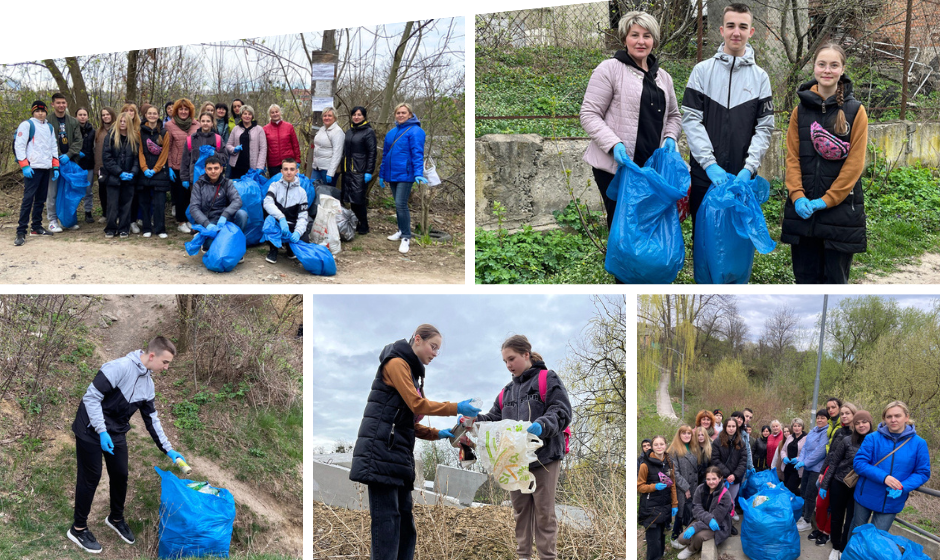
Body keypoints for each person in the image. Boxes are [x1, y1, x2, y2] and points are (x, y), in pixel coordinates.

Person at [349, 324, 480, 560]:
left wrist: (438, 433)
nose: (435, 353)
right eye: (433, 346)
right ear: (417, 340)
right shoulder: (396, 363)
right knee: (387, 525)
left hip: (397, 458)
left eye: (438, 349)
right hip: (380, 455)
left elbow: (406, 421)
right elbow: (416, 405)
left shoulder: (413, 373)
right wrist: (455, 407)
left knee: (406, 528)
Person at [67, 336, 186, 554]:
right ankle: (78, 528)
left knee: (121, 474)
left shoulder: (148, 385)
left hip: (116, 430)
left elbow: (152, 420)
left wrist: (169, 449)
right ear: (152, 356)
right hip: (90, 428)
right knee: (91, 477)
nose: (166, 368)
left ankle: (115, 518)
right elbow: (90, 398)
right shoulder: (119, 368)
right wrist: (101, 431)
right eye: (165, 362)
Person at [681, 3, 773, 250]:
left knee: (738, 241)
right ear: (721, 30)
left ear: (751, 32)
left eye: (743, 27)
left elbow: (764, 128)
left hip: (742, 177)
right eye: (731, 26)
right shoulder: (701, 71)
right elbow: (691, 120)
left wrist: (749, 168)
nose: (736, 32)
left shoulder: (761, 78)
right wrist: (709, 165)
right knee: (704, 241)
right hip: (705, 176)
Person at [579, 10, 682, 233]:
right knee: (622, 229)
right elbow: (589, 113)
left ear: (654, 40)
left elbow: (674, 116)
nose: (641, 41)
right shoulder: (609, 69)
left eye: (647, 35)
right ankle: (622, 268)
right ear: (625, 38)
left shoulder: (663, 77)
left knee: (649, 227)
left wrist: (671, 137)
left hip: (652, 168)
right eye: (635, 35)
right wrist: (614, 144)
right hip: (618, 167)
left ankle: (646, 268)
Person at [471, 334, 572, 560]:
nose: (508, 365)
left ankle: (547, 557)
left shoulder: (548, 379)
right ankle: (523, 556)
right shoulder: (506, 391)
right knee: (520, 513)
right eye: (505, 361)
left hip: (544, 458)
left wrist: (542, 424)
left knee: (545, 513)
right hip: (514, 463)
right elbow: (493, 418)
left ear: (526, 355)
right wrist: (473, 421)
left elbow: (562, 410)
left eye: (512, 359)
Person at [781, 43, 869, 284]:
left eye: (834, 65)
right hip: (803, 213)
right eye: (822, 64)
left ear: (842, 69)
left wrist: (827, 200)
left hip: (840, 215)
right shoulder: (799, 111)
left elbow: (854, 165)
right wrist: (797, 196)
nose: (827, 70)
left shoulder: (856, 111)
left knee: (835, 282)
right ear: (814, 67)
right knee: (805, 281)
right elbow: (792, 158)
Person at [851, 401, 930, 534]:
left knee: (878, 538)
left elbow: (922, 472)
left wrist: (903, 487)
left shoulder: (919, 443)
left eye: (897, 416)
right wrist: (884, 477)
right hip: (865, 495)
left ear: (906, 417)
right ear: (884, 419)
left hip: (892, 500)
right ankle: (849, 555)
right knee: (856, 532)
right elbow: (859, 463)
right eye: (889, 416)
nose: (893, 420)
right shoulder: (872, 438)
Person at [820, 410, 872, 560]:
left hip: (860, 487)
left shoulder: (876, 441)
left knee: (851, 519)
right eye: (857, 423)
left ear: (870, 423)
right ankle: (835, 546)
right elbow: (834, 462)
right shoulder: (847, 440)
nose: (861, 425)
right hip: (840, 482)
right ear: (854, 425)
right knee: (836, 516)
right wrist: (824, 485)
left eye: (864, 422)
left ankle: (844, 547)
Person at [379, 102, 427, 255]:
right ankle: (401, 230)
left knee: (401, 204)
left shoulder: (415, 131)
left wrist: (418, 173)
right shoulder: (391, 133)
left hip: (406, 174)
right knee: (397, 204)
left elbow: (417, 153)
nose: (400, 115)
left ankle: (406, 236)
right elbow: (385, 155)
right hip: (393, 174)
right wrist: (382, 174)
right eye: (398, 113)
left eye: (404, 113)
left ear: (410, 114)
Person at [13, 100, 59, 246]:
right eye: (37, 111)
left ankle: (36, 227)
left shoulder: (49, 127)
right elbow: (19, 145)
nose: (40, 113)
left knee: (40, 199)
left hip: (45, 167)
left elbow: (53, 147)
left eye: (43, 111)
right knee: (28, 199)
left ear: (46, 112)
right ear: (33, 112)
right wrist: (24, 165)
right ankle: (21, 231)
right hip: (32, 168)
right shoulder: (27, 125)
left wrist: (55, 166)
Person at [188, 155, 248, 253]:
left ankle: (236, 243)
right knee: (209, 245)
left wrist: (225, 215)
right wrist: (206, 224)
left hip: (225, 219)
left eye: (216, 168)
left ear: (221, 169)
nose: (213, 171)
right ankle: (205, 239)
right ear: (205, 170)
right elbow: (194, 208)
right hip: (209, 221)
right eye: (210, 169)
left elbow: (237, 200)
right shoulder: (199, 185)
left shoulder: (227, 183)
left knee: (242, 214)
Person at [676, 466, 733, 560]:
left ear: (720, 478)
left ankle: (691, 549)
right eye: (708, 479)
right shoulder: (700, 489)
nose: (711, 482)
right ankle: (692, 542)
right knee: (681, 539)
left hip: (718, 524)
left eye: (714, 479)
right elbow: (696, 508)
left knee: (699, 536)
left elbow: (716, 518)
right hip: (702, 519)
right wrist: (708, 519)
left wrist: (695, 527)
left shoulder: (725, 495)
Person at [45, 92, 83, 233]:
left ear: (66, 104)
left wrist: (68, 155)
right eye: (58, 103)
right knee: (53, 192)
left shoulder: (73, 121)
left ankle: (68, 220)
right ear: (53, 104)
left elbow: (79, 141)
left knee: (69, 192)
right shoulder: (47, 121)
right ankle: (53, 220)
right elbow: (46, 143)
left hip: (70, 162)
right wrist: (59, 157)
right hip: (53, 163)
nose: (61, 105)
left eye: (63, 103)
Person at [262, 158, 309, 264]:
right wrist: (281, 218)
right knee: (269, 220)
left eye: (292, 169)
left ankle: (290, 247)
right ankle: (273, 249)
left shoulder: (302, 192)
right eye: (286, 169)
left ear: (296, 171)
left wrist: (298, 232)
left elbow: (303, 216)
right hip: (278, 223)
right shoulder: (274, 186)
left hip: (293, 225)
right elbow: (267, 203)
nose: (289, 172)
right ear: (281, 171)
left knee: (305, 240)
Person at [100, 112, 140, 238]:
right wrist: (119, 172)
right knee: (112, 204)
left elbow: (136, 159)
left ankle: (124, 228)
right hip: (113, 177)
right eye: (121, 121)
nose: (122, 123)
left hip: (129, 178)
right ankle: (111, 228)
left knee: (126, 204)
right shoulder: (111, 136)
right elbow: (107, 158)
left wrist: (133, 173)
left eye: (125, 121)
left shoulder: (134, 138)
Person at [639, 435, 678, 560]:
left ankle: (660, 556)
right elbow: (639, 486)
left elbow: (673, 484)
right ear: (652, 447)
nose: (659, 447)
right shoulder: (645, 465)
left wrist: (675, 504)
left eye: (661, 444)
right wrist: (654, 486)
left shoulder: (669, 463)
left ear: (665, 445)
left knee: (661, 536)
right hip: (650, 507)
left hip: (665, 505)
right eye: (656, 444)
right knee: (653, 540)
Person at [164, 98, 200, 233]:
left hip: (194, 166)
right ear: (176, 111)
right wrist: (169, 166)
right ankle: (181, 221)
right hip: (177, 166)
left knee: (192, 195)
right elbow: (167, 147)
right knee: (180, 195)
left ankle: (190, 219)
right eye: (181, 109)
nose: (183, 111)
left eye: (186, 109)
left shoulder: (196, 125)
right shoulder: (169, 125)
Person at [793, 410, 830, 538]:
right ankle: (803, 516)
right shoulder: (814, 430)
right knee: (803, 491)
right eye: (818, 418)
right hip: (807, 467)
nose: (819, 420)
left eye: (823, 418)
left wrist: (805, 462)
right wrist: (800, 460)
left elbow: (820, 452)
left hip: (816, 468)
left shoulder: (826, 432)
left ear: (827, 420)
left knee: (810, 494)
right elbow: (805, 448)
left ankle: (808, 520)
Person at [341, 105, 377, 234]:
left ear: (364, 116)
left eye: (359, 115)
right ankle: (355, 223)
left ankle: (364, 225)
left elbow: (372, 153)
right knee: (350, 199)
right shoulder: (350, 131)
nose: (356, 117)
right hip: (348, 170)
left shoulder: (368, 132)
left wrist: (368, 171)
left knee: (358, 199)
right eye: (354, 115)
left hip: (360, 170)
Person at [138, 104, 171, 239]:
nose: (152, 116)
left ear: (158, 115)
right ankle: (146, 227)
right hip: (144, 171)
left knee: (159, 203)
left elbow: (165, 153)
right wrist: (145, 168)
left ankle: (160, 228)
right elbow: (139, 151)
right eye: (149, 113)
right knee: (144, 202)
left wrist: (156, 169)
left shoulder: (164, 132)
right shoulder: (140, 131)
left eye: (155, 113)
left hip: (160, 172)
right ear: (146, 115)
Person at [667, 425, 699, 549]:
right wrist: (685, 488)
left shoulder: (693, 448)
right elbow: (674, 473)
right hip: (682, 488)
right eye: (684, 433)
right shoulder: (673, 450)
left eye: (689, 433)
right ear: (679, 435)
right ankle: (674, 537)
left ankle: (685, 535)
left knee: (690, 511)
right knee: (680, 513)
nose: (686, 435)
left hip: (694, 486)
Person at [711, 415, 746, 511]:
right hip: (721, 477)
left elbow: (743, 461)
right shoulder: (717, 442)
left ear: (736, 427)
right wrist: (727, 474)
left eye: (733, 426)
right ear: (725, 427)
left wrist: (734, 475)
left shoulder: (741, 443)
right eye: (729, 426)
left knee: (731, 499)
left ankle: (730, 518)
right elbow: (715, 459)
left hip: (735, 478)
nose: (731, 429)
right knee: (720, 500)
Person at [225, 104, 267, 180]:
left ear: (252, 116)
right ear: (241, 116)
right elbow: (228, 145)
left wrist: (260, 166)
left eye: (249, 114)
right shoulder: (236, 129)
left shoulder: (259, 129)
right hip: (237, 166)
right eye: (245, 114)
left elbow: (263, 149)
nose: (247, 116)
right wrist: (234, 149)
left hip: (253, 167)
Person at [181, 112, 224, 187]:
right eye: (203, 121)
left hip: (213, 179)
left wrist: (215, 154)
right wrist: (184, 178)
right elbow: (185, 160)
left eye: (208, 121)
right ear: (199, 122)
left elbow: (225, 158)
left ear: (212, 123)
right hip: (195, 179)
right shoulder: (191, 139)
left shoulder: (218, 139)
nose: (205, 123)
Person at [308, 106, 345, 186]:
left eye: (329, 115)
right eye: (325, 116)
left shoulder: (337, 132)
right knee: (313, 190)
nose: (327, 118)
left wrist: (331, 173)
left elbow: (337, 154)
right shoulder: (322, 129)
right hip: (317, 167)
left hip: (327, 169)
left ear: (334, 118)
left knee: (327, 195)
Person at [263, 104, 301, 177]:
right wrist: (263, 164)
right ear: (269, 115)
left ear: (280, 112)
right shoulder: (265, 129)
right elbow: (263, 148)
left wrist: (298, 159)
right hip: (273, 164)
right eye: (272, 112)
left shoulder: (289, 126)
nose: (275, 114)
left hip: (288, 163)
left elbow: (295, 145)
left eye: (276, 112)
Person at [94, 107, 117, 223]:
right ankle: (105, 213)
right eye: (103, 115)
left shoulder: (117, 130)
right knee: (102, 192)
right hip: (101, 168)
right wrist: (97, 168)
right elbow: (96, 151)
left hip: (113, 167)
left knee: (113, 192)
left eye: (108, 114)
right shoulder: (98, 131)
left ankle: (115, 214)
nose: (105, 117)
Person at [773, 418, 806, 496]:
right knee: (786, 489)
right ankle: (790, 504)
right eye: (795, 426)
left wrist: (797, 459)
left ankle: (804, 496)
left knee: (790, 489)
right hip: (787, 468)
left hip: (797, 469)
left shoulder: (806, 438)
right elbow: (783, 450)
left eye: (799, 426)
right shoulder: (790, 437)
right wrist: (784, 458)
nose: (797, 428)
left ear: (802, 427)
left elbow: (806, 454)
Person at [75, 107, 97, 224]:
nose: (82, 116)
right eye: (80, 114)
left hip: (89, 165)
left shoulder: (93, 131)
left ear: (87, 116)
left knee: (88, 190)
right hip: (76, 165)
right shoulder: (73, 130)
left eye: (84, 114)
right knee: (75, 189)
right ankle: (73, 212)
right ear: (76, 116)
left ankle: (88, 212)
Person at [729, 411, 754, 478]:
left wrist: (750, 466)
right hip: (727, 467)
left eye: (741, 419)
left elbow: (747, 451)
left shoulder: (744, 434)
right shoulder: (723, 433)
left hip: (740, 467)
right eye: (737, 418)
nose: (739, 420)